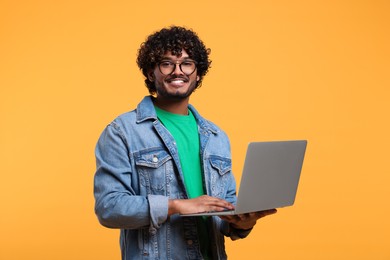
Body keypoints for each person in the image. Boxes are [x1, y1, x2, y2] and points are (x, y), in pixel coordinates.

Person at [94, 26, 276, 260]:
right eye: (166, 63)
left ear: (198, 73)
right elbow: (109, 208)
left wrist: (241, 222)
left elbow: (222, 213)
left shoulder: (217, 137)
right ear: (151, 73)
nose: (177, 71)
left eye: (187, 63)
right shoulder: (122, 131)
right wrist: (177, 206)